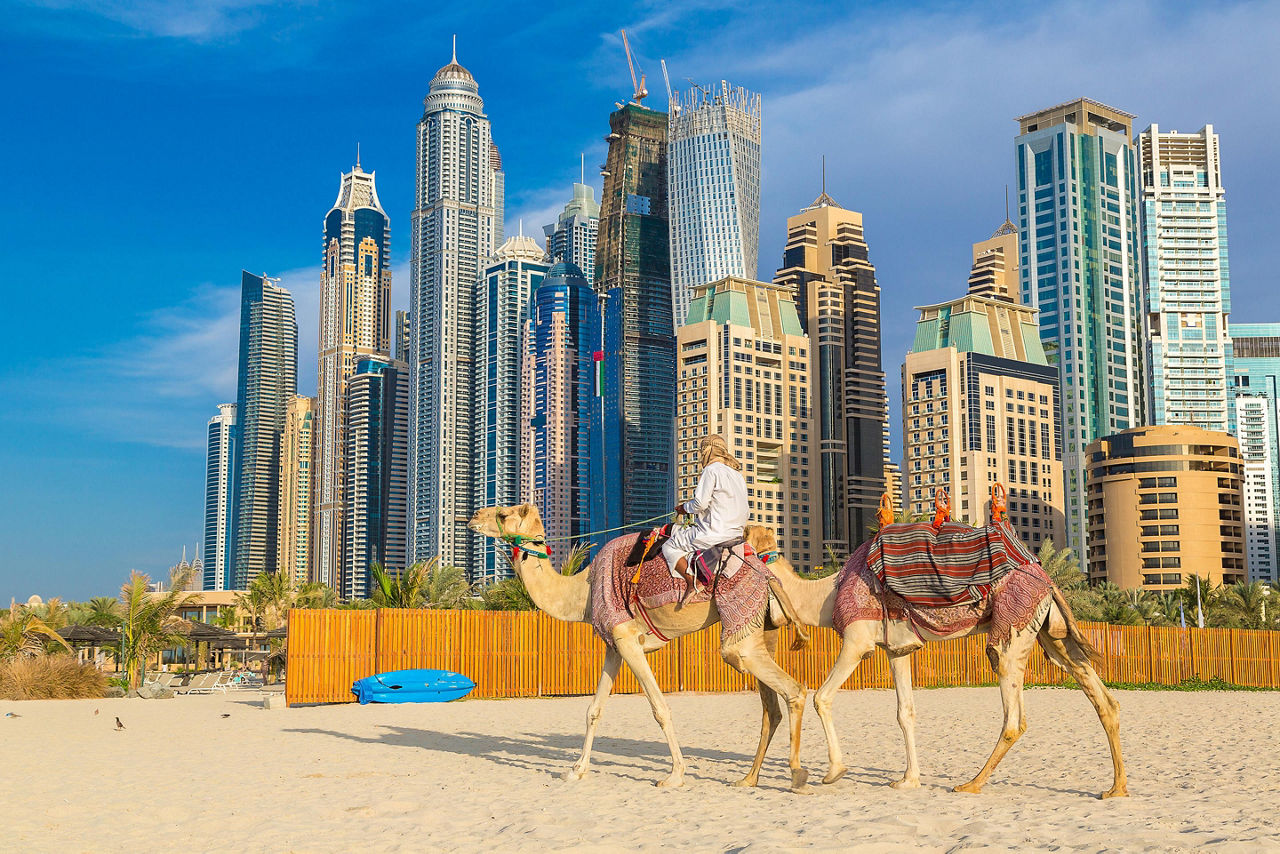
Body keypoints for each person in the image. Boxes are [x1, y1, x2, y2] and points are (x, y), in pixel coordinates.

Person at [661, 435, 749, 602]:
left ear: (707, 451)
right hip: (737, 536)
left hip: (714, 534)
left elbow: (700, 504)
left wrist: (684, 508)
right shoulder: (738, 475)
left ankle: (692, 582)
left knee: (669, 546)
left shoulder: (711, 470)